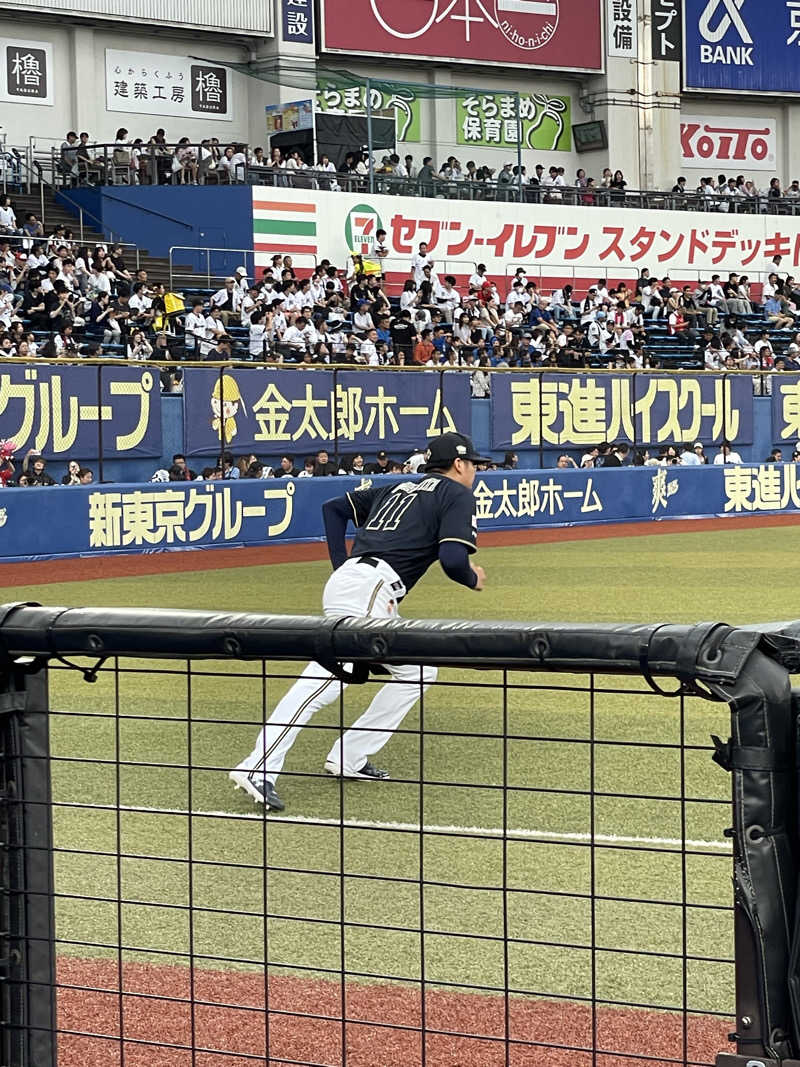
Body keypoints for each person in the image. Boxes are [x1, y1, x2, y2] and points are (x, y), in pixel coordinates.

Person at [229, 431, 489, 811]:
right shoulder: (457, 494)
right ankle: (259, 766)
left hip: (362, 585)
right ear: (459, 464)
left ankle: (349, 756)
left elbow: (334, 508)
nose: (476, 472)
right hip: (369, 591)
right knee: (326, 681)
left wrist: (342, 565)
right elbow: (452, 560)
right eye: (475, 465)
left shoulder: (398, 487)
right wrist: (472, 577)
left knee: (418, 671)